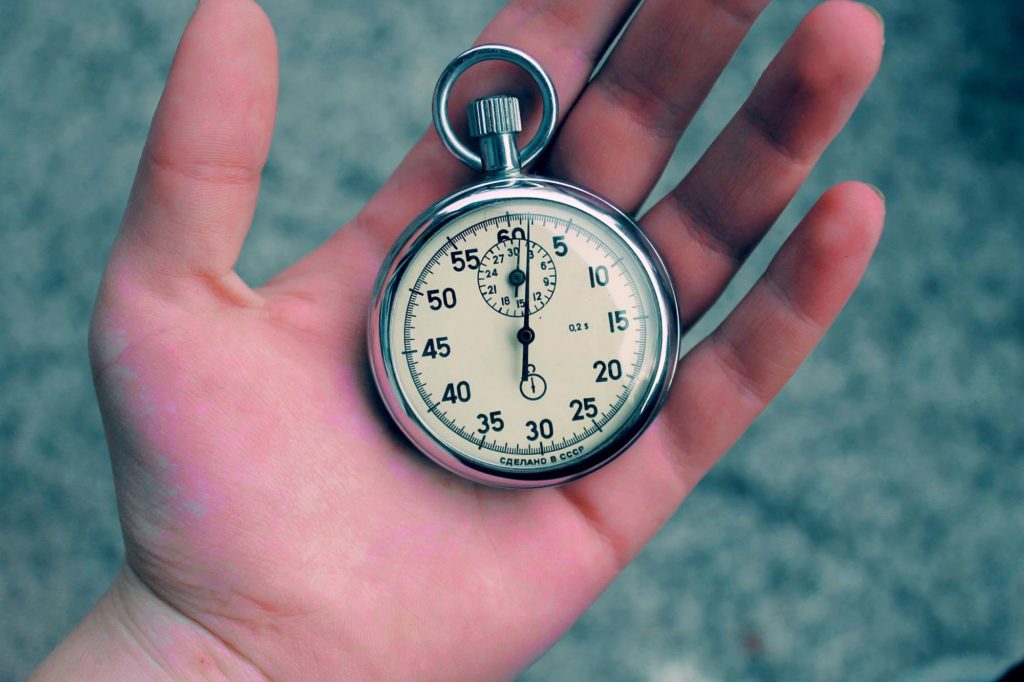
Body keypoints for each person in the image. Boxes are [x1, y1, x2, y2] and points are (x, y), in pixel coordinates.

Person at [32, 0, 885, 678]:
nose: (523, 331)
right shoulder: (441, 284)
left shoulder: (590, 269)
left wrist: (208, 652)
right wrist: (219, 644)